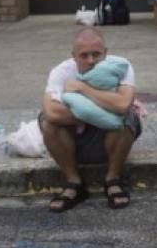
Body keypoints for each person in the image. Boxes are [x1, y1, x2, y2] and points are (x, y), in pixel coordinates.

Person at [39, 27, 142, 212]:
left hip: (111, 137)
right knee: (48, 124)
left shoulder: (120, 66)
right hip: (74, 140)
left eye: (96, 54)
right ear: (74, 56)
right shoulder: (61, 71)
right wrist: (102, 110)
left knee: (127, 117)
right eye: (84, 55)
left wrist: (82, 89)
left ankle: (112, 179)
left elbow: (123, 105)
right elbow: (51, 112)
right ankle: (73, 183)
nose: (91, 60)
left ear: (106, 53)